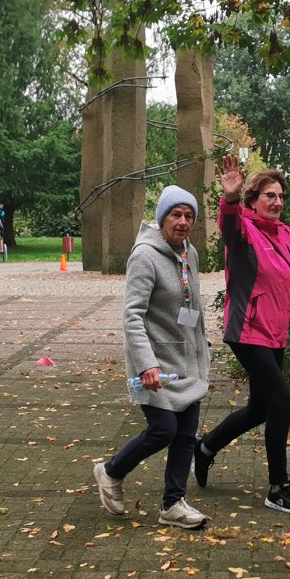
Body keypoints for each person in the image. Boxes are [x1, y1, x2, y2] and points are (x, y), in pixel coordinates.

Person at [193, 155, 290, 514]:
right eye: (269, 196)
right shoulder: (244, 230)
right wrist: (229, 199)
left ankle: (205, 448)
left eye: (280, 196)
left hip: (275, 332)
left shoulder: (289, 236)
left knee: (260, 408)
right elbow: (229, 229)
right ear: (253, 201)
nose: (277, 202)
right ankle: (278, 488)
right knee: (282, 403)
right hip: (246, 331)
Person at [93, 186, 211, 529]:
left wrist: (203, 349)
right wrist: (147, 363)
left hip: (187, 359)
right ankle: (111, 471)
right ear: (162, 218)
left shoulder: (190, 254)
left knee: (186, 433)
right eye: (176, 214)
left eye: (189, 216)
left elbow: (193, 306)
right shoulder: (145, 256)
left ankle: (173, 504)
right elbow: (132, 316)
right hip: (155, 363)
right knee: (164, 429)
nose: (183, 222)